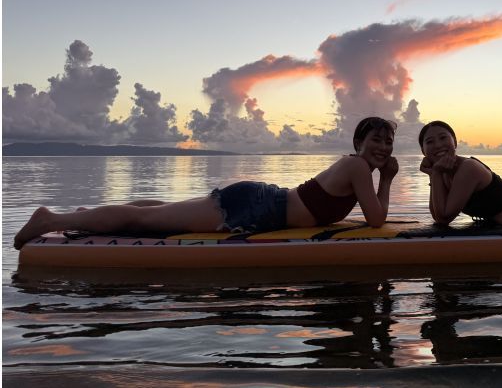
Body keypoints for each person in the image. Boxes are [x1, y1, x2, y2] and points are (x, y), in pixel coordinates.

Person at [14, 117, 399, 249]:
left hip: (262, 203)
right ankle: (50, 220)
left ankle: (88, 215)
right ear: (359, 144)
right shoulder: (359, 169)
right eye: (376, 139)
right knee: (149, 223)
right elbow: (377, 220)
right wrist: (388, 177)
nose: (383, 147)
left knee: (161, 213)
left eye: (388, 141)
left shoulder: (356, 169)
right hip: (256, 207)